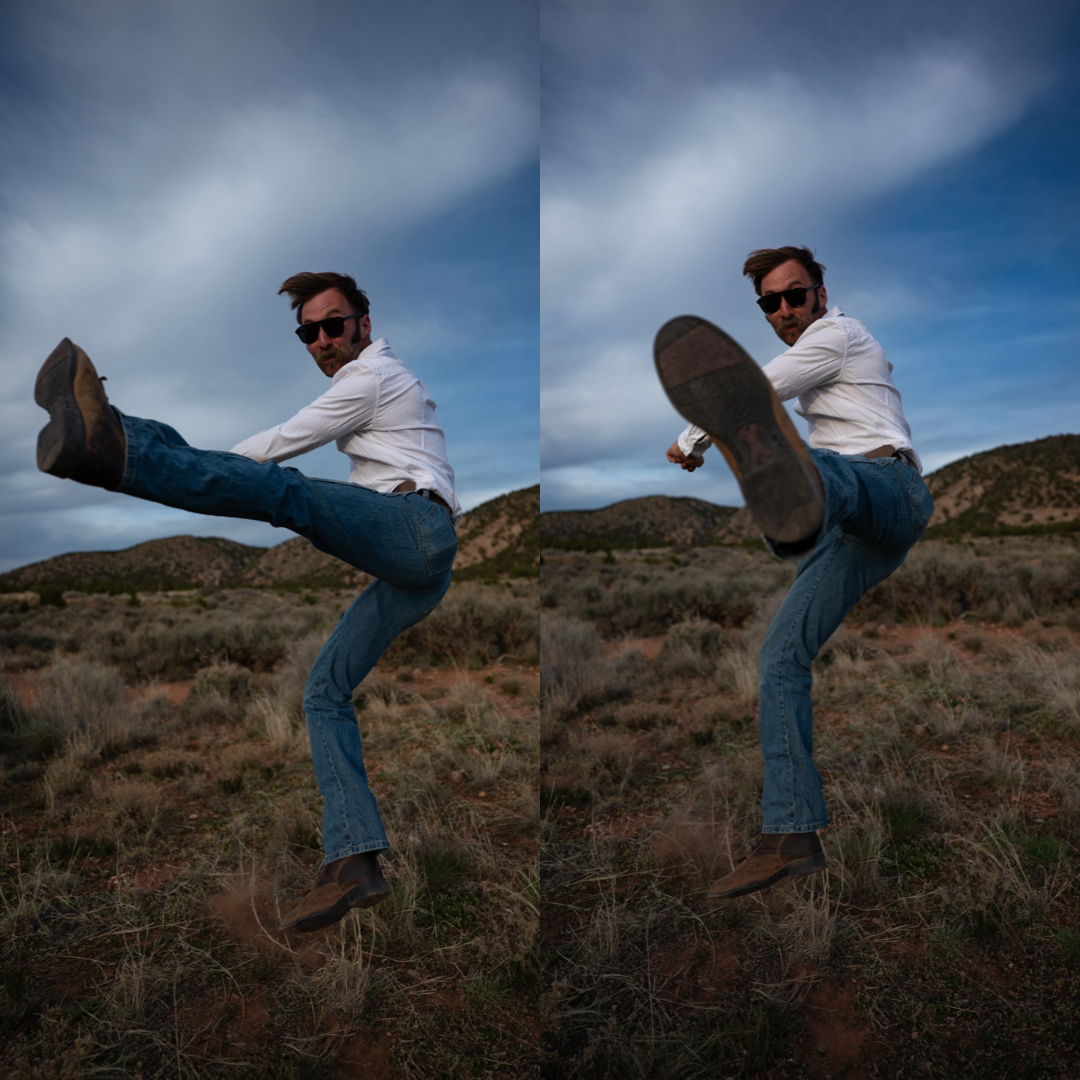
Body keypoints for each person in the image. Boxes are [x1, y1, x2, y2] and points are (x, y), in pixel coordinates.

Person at [34, 272, 461, 931]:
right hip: (419, 567)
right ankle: (355, 860)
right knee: (324, 692)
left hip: (417, 530)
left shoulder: (372, 376)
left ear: (364, 326)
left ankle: (112, 442)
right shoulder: (370, 382)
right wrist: (217, 475)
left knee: (280, 489)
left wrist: (201, 476)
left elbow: (281, 444)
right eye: (308, 331)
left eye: (334, 324)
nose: (321, 339)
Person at [655, 246, 933, 898]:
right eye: (771, 303)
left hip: (891, 491)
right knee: (779, 658)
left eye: (795, 294)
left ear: (820, 290)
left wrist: (690, 441)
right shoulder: (812, 346)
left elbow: (753, 385)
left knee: (825, 471)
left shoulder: (837, 334)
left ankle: (801, 495)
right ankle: (790, 835)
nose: (785, 309)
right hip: (859, 534)